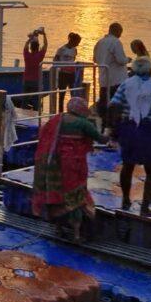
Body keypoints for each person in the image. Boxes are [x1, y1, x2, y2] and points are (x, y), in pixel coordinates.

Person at [32, 97, 108, 242]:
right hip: (74, 167)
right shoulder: (84, 124)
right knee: (76, 198)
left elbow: (44, 135)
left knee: (57, 197)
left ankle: (58, 228)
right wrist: (110, 133)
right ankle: (77, 234)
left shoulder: (57, 119)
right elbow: (100, 138)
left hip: (54, 165)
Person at [108, 57, 151, 217]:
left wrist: (114, 128)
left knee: (127, 166)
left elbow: (114, 105)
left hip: (128, 129)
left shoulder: (125, 84)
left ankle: (125, 201)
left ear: (134, 69)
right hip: (148, 130)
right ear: (150, 69)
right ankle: (144, 207)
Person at [94, 23, 131, 124]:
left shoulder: (100, 42)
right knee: (117, 105)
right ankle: (114, 126)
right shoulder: (116, 42)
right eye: (120, 33)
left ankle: (104, 125)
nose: (120, 35)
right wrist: (128, 59)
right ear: (118, 31)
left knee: (104, 103)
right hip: (117, 79)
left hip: (103, 79)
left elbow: (95, 59)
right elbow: (120, 60)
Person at [53, 32, 81, 112]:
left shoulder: (75, 50)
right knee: (62, 95)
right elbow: (55, 60)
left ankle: (73, 112)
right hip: (63, 74)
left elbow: (73, 59)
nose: (78, 44)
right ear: (72, 41)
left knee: (73, 94)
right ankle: (60, 112)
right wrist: (62, 66)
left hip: (71, 74)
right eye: (77, 42)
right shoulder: (61, 49)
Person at [22, 29, 48, 110]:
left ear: (31, 48)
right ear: (38, 47)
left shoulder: (27, 55)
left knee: (25, 99)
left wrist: (31, 38)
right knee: (36, 99)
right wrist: (44, 35)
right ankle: (36, 113)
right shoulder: (40, 55)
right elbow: (46, 45)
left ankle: (23, 112)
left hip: (26, 80)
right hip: (36, 81)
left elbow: (26, 45)